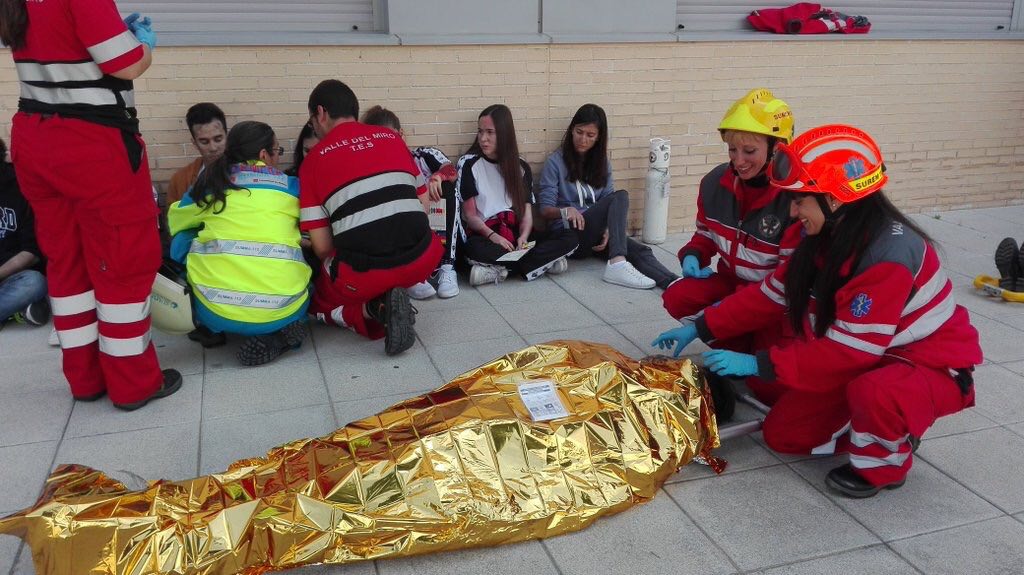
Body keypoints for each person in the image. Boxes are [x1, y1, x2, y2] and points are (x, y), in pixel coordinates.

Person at [653, 124, 982, 498]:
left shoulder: (886, 258)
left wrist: (757, 363)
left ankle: (887, 461)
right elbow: (770, 295)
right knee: (778, 415)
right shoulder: (823, 237)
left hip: (920, 364)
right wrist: (701, 326)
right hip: (866, 354)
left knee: (857, 400)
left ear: (836, 200)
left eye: (800, 200)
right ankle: (866, 414)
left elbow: (850, 351)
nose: (792, 212)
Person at [1, 1, 180, 410]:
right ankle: (133, 384)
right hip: (90, 145)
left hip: (35, 136)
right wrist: (143, 43)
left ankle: (85, 379)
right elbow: (126, 63)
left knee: (67, 264)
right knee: (123, 262)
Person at [658, 88, 798, 416]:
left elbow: (783, 289)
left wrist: (706, 323)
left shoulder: (793, 201)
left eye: (749, 150)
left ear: (778, 149)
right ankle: (736, 344)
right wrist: (693, 255)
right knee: (678, 296)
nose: (738, 160)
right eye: (732, 149)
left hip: (775, 304)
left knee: (770, 388)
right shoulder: (714, 183)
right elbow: (705, 234)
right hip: (733, 282)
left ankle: (748, 346)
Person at [299, 79, 442, 356]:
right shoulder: (392, 139)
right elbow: (423, 206)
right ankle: (391, 293)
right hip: (423, 258)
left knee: (317, 302)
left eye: (312, 120)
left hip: (364, 275)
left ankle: (376, 308)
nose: (313, 128)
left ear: (321, 113)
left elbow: (323, 247)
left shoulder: (313, 162)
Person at [168, 121, 311, 366]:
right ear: (264, 155)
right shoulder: (291, 187)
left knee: (183, 237)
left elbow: (175, 221)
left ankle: (205, 323)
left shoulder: (209, 185)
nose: (278, 158)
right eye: (277, 152)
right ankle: (281, 334)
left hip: (215, 312)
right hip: (284, 309)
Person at [538, 103, 679, 290]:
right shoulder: (555, 162)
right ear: (572, 130)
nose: (583, 139)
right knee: (619, 197)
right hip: (570, 235)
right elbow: (545, 210)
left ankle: (673, 283)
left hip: (595, 236)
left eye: (590, 135)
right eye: (579, 132)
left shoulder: (602, 164)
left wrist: (608, 229)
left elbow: (609, 206)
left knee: (640, 250)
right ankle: (617, 263)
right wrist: (566, 211)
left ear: (598, 138)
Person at [458, 104, 578, 285]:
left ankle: (501, 270)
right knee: (472, 248)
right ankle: (540, 264)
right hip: (486, 235)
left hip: (515, 237)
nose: (483, 139)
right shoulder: (468, 164)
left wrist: (522, 237)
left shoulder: (520, 166)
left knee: (570, 237)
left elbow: (527, 215)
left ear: (504, 134)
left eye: (490, 132)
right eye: (480, 132)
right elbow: (470, 216)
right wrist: (494, 236)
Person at [361, 105, 460, 300]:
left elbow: (452, 170)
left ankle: (448, 268)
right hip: (406, 238)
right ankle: (410, 275)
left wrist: (438, 177)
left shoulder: (423, 155)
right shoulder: (375, 174)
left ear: (401, 135)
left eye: (390, 138)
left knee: (448, 188)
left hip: (439, 229)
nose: (387, 146)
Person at [0, 138, 49, 327]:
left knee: (34, 283)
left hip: (14, 275)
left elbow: (32, 253)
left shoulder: (21, 189)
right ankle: (18, 310)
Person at [165, 102, 228, 205]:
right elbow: (173, 218)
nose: (213, 148)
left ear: (226, 136)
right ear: (195, 143)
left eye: (218, 139)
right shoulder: (180, 180)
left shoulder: (247, 172)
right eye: (204, 142)